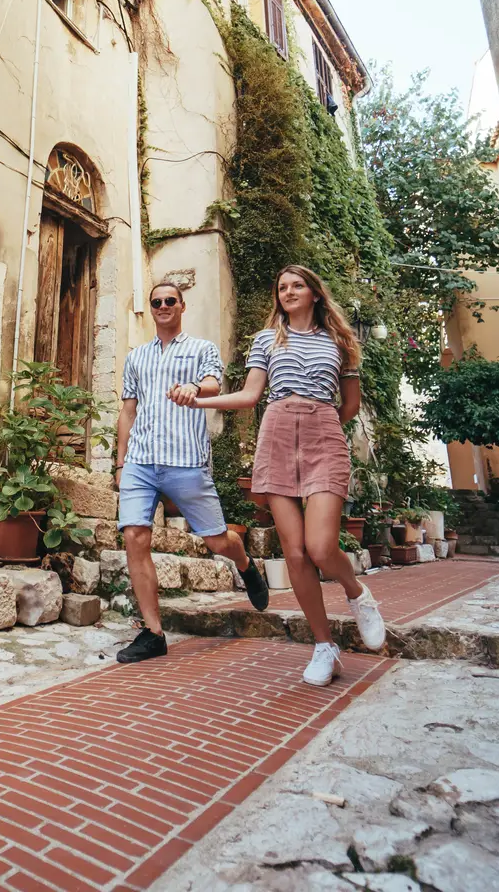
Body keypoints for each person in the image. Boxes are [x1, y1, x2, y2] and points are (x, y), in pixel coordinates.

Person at [171, 265, 386, 685]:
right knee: (296, 555)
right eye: (282, 287)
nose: (288, 291)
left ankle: (358, 595)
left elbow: (351, 405)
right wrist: (197, 400)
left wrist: (320, 425)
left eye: (297, 285)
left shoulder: (341, 341)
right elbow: (251, 395)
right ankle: (324, 646)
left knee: (322, 547)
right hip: (277, 435)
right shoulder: (267, 339)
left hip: (324, 435)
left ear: (314, 293)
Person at [113, 280, 269, 664]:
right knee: (134, 535)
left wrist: (195, 389)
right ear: (151, 309)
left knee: (217, 541)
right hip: (141, 460)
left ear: (182, 306)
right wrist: (120, 462)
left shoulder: (202, 349)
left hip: (186, 461)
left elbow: (214, 383)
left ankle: (245, 564)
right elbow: (128, 411)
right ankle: (153, 634)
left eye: (170, 301)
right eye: (156, 302)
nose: (163, 306)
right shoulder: (136, 358)